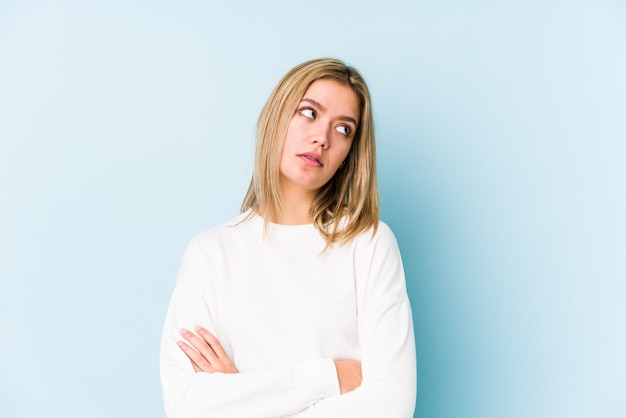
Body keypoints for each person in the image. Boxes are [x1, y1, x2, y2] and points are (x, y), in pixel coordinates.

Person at [160, 58, 417, 417]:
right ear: (276, 117)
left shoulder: (369, 243)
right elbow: (187, 406)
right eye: (309, 113)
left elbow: (391, 406)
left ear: (349, 155)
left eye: (343, 129)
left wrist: (239, 394)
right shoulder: (210, 253)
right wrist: (330, 376)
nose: (322, 138)